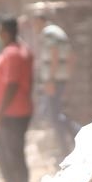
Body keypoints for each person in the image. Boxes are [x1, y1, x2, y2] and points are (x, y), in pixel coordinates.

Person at [0, 16, 33, 182]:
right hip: (14, 112)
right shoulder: (21, 50)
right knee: (2, 153)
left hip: (12, 114)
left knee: (13, 157)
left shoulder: (13, 53)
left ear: (5, 33)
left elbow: (12, 85)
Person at [31, 11, 77, 156]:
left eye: (34, 23)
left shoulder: (48, 33)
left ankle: (66, 148)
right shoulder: (58, 32)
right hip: (59, 79)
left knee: (54, 115)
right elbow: (71, 56)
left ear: (39, 21)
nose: (34, 27)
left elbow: (54, 53)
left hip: (54, 80)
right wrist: (67, 77)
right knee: (55, 114)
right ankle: (68, 145)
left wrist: (50, 79)